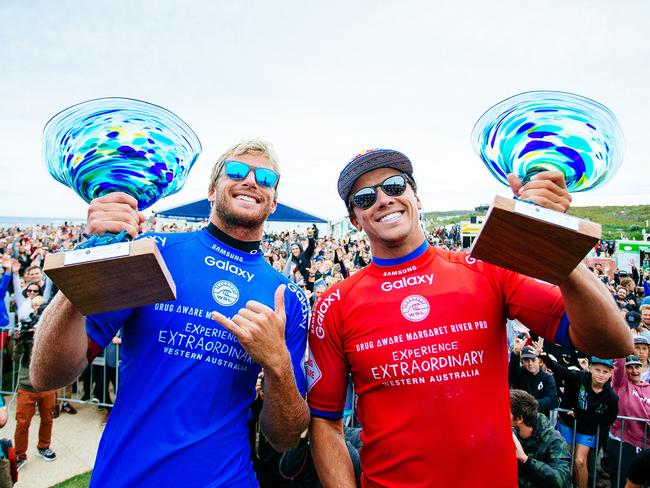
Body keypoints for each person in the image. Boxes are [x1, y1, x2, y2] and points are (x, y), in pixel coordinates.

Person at [307, 149, 632, 487]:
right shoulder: (335, 304)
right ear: (355, 219)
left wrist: (555, 243)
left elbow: (612, 342)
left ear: (416, 197)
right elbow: (326, 424)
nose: (383, 200)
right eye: (365, 196)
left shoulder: (486, 271)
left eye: (394, 185)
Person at [30, 139, 310, 487]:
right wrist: (91, 260)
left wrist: (278, 364)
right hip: (126, 477)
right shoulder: (153, 254)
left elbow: (285, 438)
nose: (251, 181)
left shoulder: (287, 297)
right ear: (212, 189)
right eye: (236, 171)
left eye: (266, 178)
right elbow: (46, 375)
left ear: (273, 202)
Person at [541, 355, 619, 488]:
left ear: (611, 374)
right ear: (590, 368)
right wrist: (543, 356)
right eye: (597, 370)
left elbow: (608, 419)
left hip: (587, 428)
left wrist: (581, 415)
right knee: (565, 457)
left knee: (579, 461)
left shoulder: (611, 397)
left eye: (605, 372)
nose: (600, 375)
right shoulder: (580, 377)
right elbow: (561, 370)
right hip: (567, 422)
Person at [14, 296, 57, 470]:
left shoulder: (53, 329)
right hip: (27, 384)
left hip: (47, 384)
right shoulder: (25, 329)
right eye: (35, 307)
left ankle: (44, 446)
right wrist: (21, 340)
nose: (37, 310)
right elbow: (16, 358)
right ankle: (19, 454)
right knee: (22, 423)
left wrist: (44, 334)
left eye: (41, 306)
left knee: (47, 418)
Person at [510, 389, 572, 488]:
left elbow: (562, 480)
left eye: (505, 412)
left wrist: (526, 460)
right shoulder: (509, 434)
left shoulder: (554, 441)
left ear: (519, 419)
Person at [607, 354, 650, 488]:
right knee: (621, 482)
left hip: (646, 446)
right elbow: (619, 365)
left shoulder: (649, 388)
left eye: (637, 367)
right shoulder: (621, 385)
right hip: (624, 443)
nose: (634, 371)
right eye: (629, 367)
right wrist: (623, 346)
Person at [509, 343, 559, 417]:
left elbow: (552, 399)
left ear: (539, 361)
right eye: (526, 360)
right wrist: (515, 354)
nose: (530, 363)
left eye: (533, 360)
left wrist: (531, 404)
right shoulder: (520, 373)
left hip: (539, 418)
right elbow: (512, 373)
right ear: (522, 362)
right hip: (520, 418)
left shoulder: (547, 378)